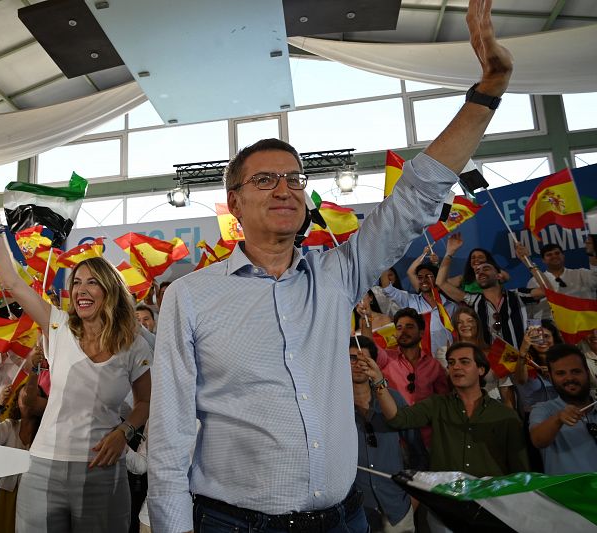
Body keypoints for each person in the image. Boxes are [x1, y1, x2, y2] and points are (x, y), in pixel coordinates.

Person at [147, 3, 514, 530]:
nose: (284, 188)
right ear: (234, 202)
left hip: (344, 520)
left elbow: (416, 195)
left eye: (295, 179)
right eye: (264, 180)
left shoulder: (335, 274)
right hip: (234, 522)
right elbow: (171, 432)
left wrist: (489, 90)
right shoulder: (192, 296)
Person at [0, 193, 154, 533]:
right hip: (44, 469)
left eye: (92, 282)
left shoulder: (132, 342)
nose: (81, 290)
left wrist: (124, 431)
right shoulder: (56, 325)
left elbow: (145, 400)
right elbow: (11, 281)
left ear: (110, 290)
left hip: (103, 469)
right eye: (76, 283)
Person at [361, 341, 529, 476]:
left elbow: (521, 472)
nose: (456, 367)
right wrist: (378, 381)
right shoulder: (437, 405)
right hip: (444, 506)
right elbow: (397, 418)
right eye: (451, 363)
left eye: (464, 362)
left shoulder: (505, 416)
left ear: (481, 369)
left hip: (492, 507)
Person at [350, 336, 424, 533]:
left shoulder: (393, 399)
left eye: (365, 360)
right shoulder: (333, 406)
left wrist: (412, 501)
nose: (358, 364)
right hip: (356, 512)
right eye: (352, 359)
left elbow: (418, 451)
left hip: (397, 510)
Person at [0, 381, 44, 533]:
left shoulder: (47, 430)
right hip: (9, 493)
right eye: (25, 397)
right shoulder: (10, 425)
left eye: (35, 397)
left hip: (36, 493)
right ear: (17, 402)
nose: (29, 401)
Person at [529, 344, 597, 475]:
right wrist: (558, 419)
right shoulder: (543, 410)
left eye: (575, 371)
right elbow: (537, 440)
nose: (569, 378)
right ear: (551, 377)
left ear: (587, 372)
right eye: (560, 373)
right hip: (567, 494)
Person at [437, 259, 530, 347]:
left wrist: (528, 263)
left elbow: (544, 289)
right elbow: (440, 283)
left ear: (498, 275)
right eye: (477, 272)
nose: (480, 272)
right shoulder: (474, 300)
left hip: (522, 359)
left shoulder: (518, 295)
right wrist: (449, 253)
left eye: (486, 269)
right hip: (488, 360)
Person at [379, 262, 456, 355]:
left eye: (428, 276)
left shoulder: (451, 307)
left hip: (446, 358)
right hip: (420, 359)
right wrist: (383, 262)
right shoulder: (410, 301)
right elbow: (388, 290)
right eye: (420, 277)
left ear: (437, 279)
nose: (424, 280)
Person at [448, 306, 514, 408]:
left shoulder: (494, 352)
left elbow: (505, 388)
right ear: (456, 327)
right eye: (460, 322)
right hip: (462, 409)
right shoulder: (447, 353)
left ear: (477, 324)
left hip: (493, 407)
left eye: (470, 320)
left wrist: (511, 416)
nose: (465, 325)